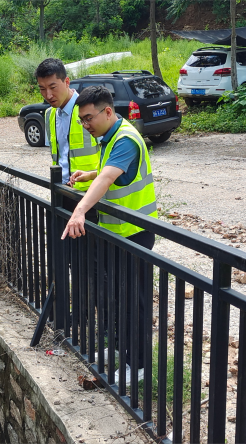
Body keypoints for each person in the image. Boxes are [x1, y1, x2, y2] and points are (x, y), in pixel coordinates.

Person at [61, 85, 158, 384]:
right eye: (81, 120)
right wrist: (88, 175)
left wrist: (79, 211)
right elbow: (106, 172)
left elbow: (107, 178)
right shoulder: (110, 136)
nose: (85, 125)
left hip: (135, 235)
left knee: (134, 302)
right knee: (116, 297)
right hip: (117, 234)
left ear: (107, 112)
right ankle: (121, 350)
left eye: (89, 118)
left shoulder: (126, 138)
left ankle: (139, 366)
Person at [34, 58, 99, 222]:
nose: (48, 95)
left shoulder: (89, 110)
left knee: (90, 246)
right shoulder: (50, 114)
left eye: (53, 87)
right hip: (61, 191)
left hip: (90, 195)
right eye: (42, 89)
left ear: (67, 81)